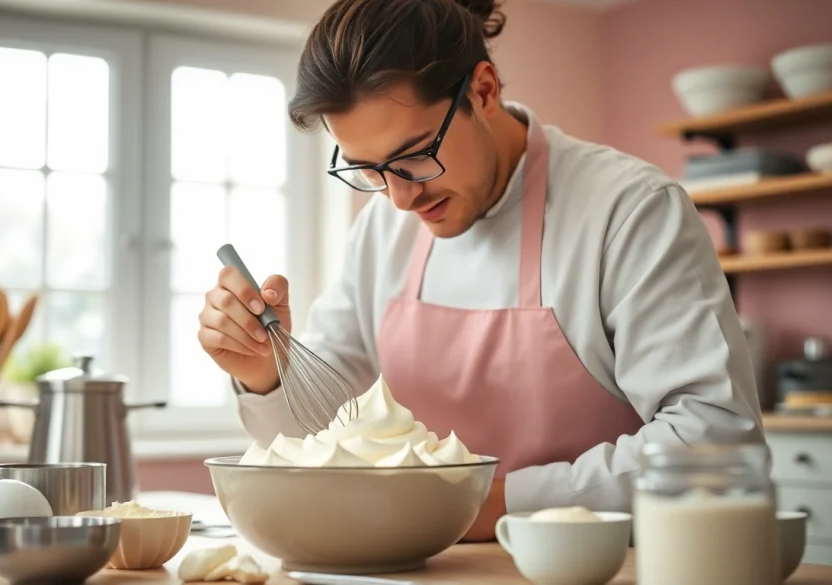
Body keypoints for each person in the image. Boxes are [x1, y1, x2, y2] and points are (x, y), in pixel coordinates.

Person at [198, 0, 765, 541]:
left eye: (415, 156)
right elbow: (322, 436)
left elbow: (715, 439)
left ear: (484, 90)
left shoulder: (629, 210)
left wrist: (489, 503)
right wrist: (265, 375)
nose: (400, 198)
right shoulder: (382, 231)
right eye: (369, 170)